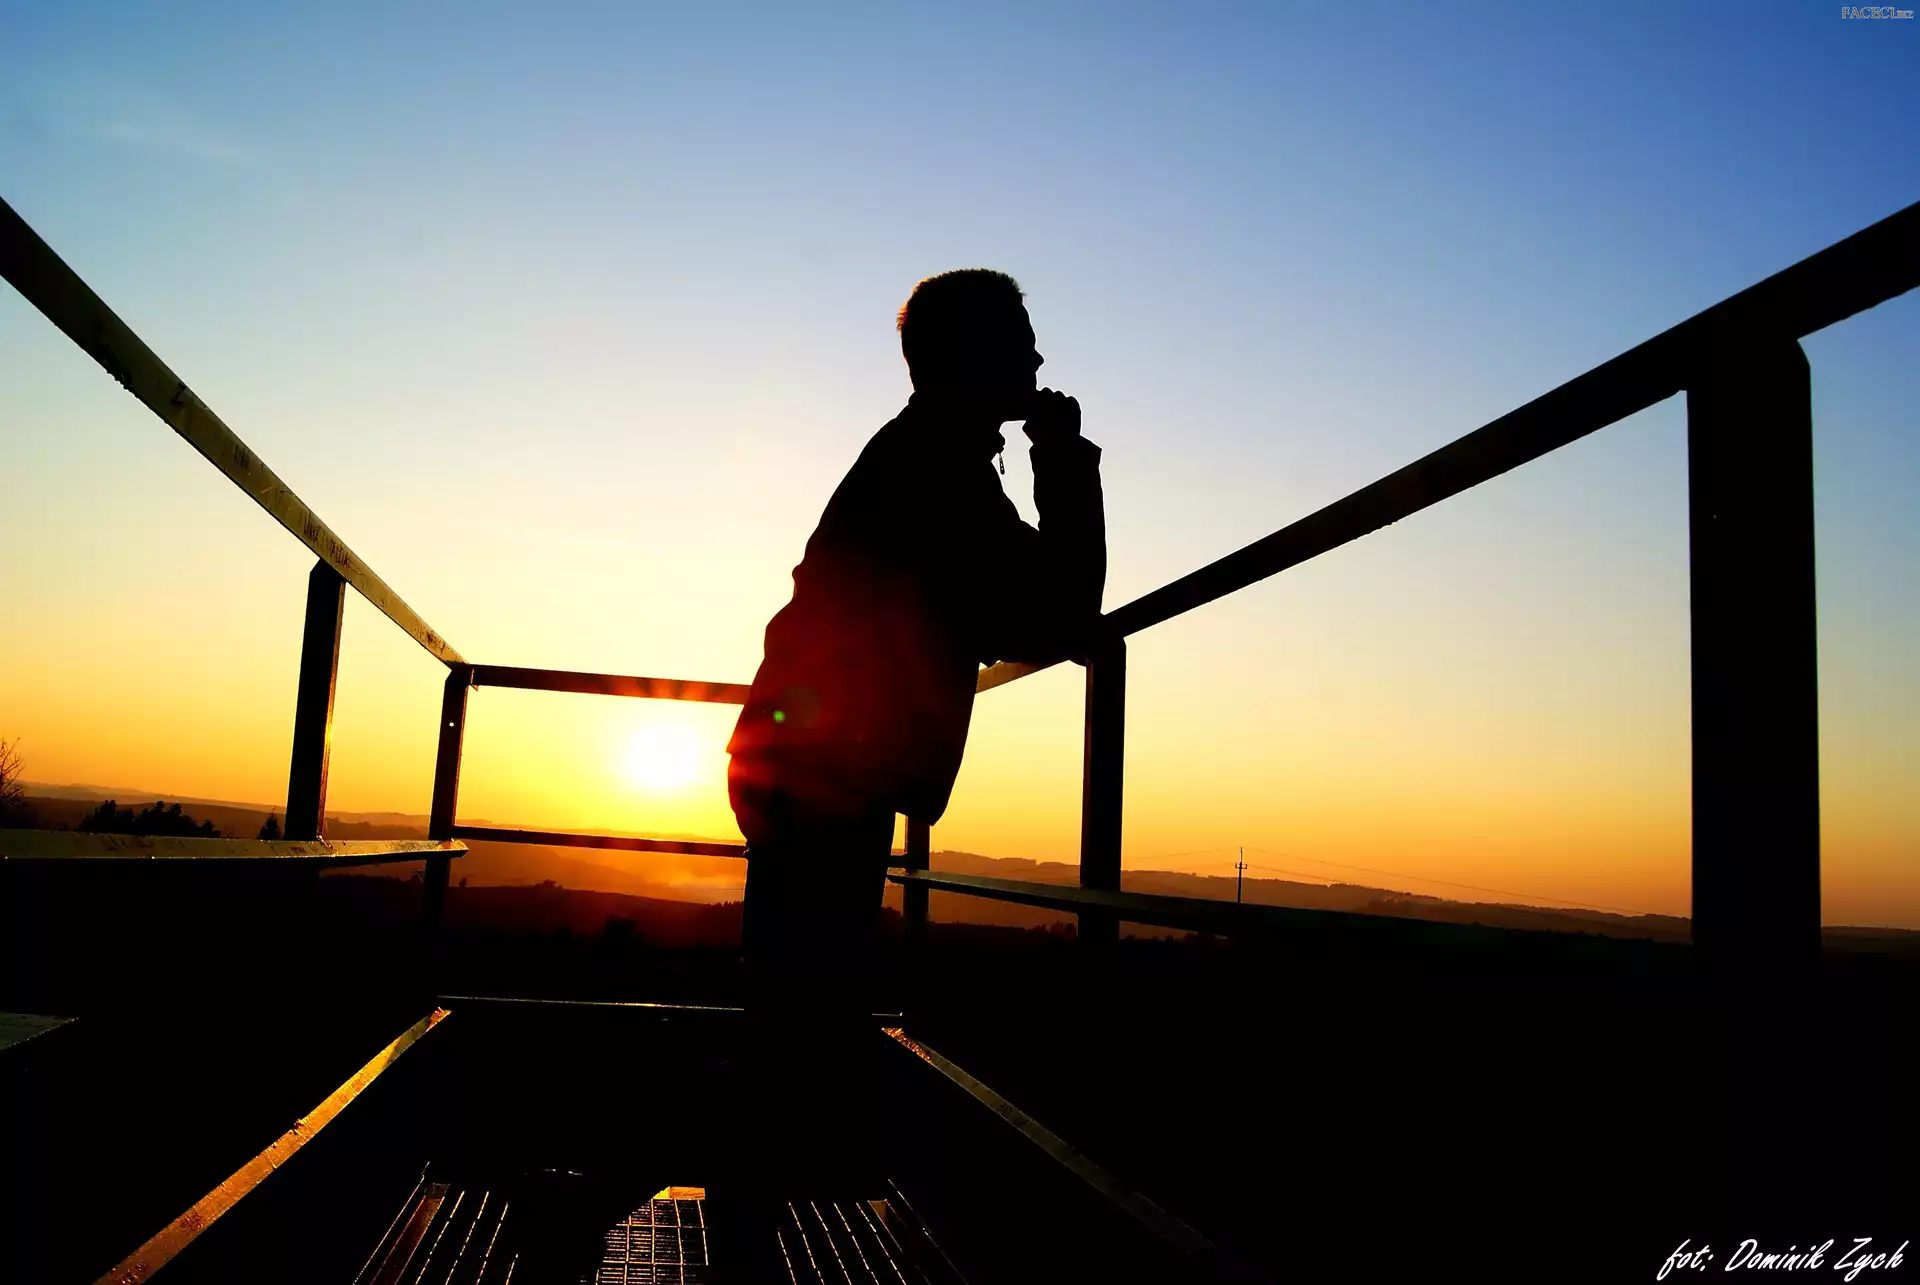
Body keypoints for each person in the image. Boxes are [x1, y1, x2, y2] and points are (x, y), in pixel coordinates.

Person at [709, 268, 1107, 1275]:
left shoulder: (929, 456)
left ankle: (732, 1227)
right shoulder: (939, 467)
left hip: (807, 766)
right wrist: (1064, 457)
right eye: (1020, 340)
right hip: (823, 775)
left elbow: (995, 601)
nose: (1038, 357)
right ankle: (709, 1229)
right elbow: (1060, 607)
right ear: (976, 356)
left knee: (793, 1015)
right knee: (799, 1023)